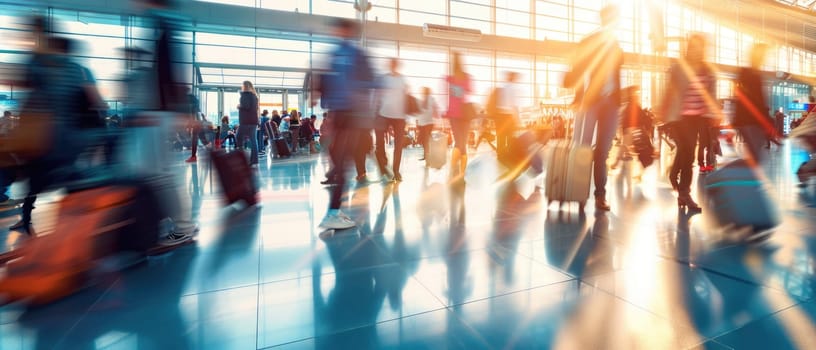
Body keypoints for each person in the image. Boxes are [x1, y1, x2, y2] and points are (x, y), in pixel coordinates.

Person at [315, 18, 377, 230]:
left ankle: (333, 211)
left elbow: (324, 83)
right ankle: (333, 212)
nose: (336, 32)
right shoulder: (356, 54)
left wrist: (327, 106)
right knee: (345, 161)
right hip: (351, 113)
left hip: (341, 112)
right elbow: (370, 81)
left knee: (342, 160)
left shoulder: (335, 54)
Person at [562, 5, 624, 212]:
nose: (613, 21)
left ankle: (600, 195)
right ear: (603, 18)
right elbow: (575, 71)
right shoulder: (588, 42)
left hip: (611, 102)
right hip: (591, 101)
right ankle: (580, 193)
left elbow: (616, 69)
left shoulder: (615, 45)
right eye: (610, 16)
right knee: (583, 149)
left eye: (615, 17)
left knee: (603, 151)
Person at [661, 34, 716, 212]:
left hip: (697, 119)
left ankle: (682, 191)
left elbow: (711, 94)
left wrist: (714, 112)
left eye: (699, 47)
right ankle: (684, 192)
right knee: (687, 153)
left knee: (687, 154)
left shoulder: (707, 70)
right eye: (692, 47)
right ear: (688, 48)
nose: (695, 51)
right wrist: (664, 112)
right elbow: (669, 90)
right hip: (680, 118)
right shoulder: (680, 67)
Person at [734, 43, 776, 166]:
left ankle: (748, 179)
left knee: (755, 156)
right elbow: (743, 97)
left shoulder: (756, 75)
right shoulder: (747, 73)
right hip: (748, 121)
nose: (762, 58)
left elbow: (759, 101)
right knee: (755, 156)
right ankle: (739, 177)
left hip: (753, 121)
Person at [375, 58, 409, 182]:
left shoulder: (402, 79)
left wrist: (407, 115)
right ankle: (384, 166)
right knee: (379, 143)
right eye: (392, 64)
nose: (393, 66)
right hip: (384, 114)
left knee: (398, 145)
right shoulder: (384, 78)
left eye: (395, 64)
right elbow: (378, 95)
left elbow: (406, 97)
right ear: (389, 66)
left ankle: (396, 170)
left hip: (399, 116)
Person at [445, 52, 473, 184]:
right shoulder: (466, 77)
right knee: (463, 144)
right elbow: (469, 91)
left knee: (458, 143)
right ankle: (461, 173)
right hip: (465, 115)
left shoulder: (449, 79)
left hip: (454, 114)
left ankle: (452, 170)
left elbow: (449, 96)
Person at [495, 71, 521, 163]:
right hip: (508, 116)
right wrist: (517, 120)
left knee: (501, 137)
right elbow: (514, 105)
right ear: (513, 78)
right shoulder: (512, 88)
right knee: (509, 136)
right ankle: (509, 155)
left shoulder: (501, 87)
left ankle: (500, 156)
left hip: (499, 116)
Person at [236, 81, 260, 166]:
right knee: (253, 140)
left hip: (245, 121)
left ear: (245, 86)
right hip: (253, 121)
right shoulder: (254, 96)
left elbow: (246, 106)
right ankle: (254, 161)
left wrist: (239, 106)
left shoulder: (244, 95)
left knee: (238, 137)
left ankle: (241, 158)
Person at [185, 94, 211, 163]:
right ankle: (214, 151)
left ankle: (193, 157)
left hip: (197, 124)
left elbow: (192, 117)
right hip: (200, 123)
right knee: (204, 141)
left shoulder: (191, 106)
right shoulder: (197, 107)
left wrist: (189, 126)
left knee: (194, 139)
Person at [416, 87, 438, 162]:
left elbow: (435, 109)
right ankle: (427, 155)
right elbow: (418, 112)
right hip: (422, 123)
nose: (422, 92)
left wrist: (436, 118)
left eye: (423, 91)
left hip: (428, 123)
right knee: (424, 140)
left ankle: (427, 156)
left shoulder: (431, 99)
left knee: (425, 140)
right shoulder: (421, 99)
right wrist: (417, 122)